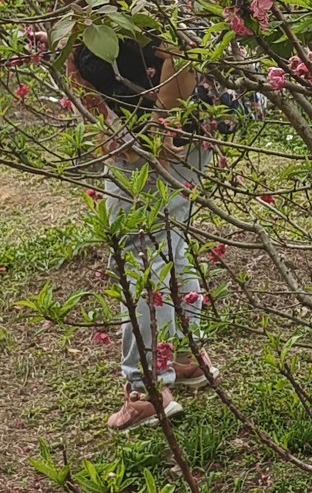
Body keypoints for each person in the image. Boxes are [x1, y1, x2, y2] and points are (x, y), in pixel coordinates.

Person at [66, 26, 217, 428]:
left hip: (161, 136)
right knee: (168, 247)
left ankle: (148, 388)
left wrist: (159, 132)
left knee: (139, 260)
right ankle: (185, 357)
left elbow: (181, 48)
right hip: (171, 131)